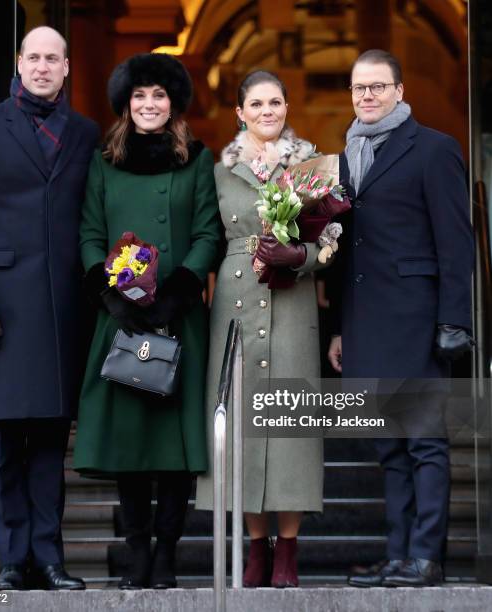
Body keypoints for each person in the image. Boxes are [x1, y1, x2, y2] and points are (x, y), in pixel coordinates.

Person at [0, 27, 99, 590]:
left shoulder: (84, 133)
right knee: (7, 441)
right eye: (32, 57)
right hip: (0, 307)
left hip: (61, 305)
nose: (41, 66)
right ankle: (12, 560)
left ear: (65, 68)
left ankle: (50, 559)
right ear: (19, 63)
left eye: (51, 58)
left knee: (51, 441)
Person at [73, 53, 221, 590]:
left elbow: (209, 233)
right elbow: (89, 233)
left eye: (158, 95)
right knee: (131, 446)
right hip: (121, 320)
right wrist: (111, 295)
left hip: (177, 320)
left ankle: (166, 554)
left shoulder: (197, 160)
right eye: (139, 96)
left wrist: (178, 291)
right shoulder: (102, 163)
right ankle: (136, 551)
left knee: (173, 449)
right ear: (125, 104)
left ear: (173, 104)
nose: (149, 104)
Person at [327, 49, 474, 587]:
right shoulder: (342, 160)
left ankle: (426, 557)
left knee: (425, 443)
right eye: (359, 88)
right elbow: (345, 252)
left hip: (418, 321)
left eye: (377, 87)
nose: (367, 96)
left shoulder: (433, 149)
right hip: (367, 323)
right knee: (390, 447)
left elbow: (457, 245)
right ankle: (398, 554)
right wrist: (340, 327)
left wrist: (454, 321)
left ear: (400, 91)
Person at [195, 70, 331, 588]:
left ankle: (288, 550)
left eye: (276, 102)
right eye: (257, 103)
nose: (267, 110)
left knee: (291, 425)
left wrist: (301, 255)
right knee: (243, 426)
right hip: (235, 303)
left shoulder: (311, 165)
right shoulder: (219, 171)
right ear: (240, 112)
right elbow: (208, 236)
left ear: (287, 106)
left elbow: (331, 240)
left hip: (293, 302)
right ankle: (256, 546)